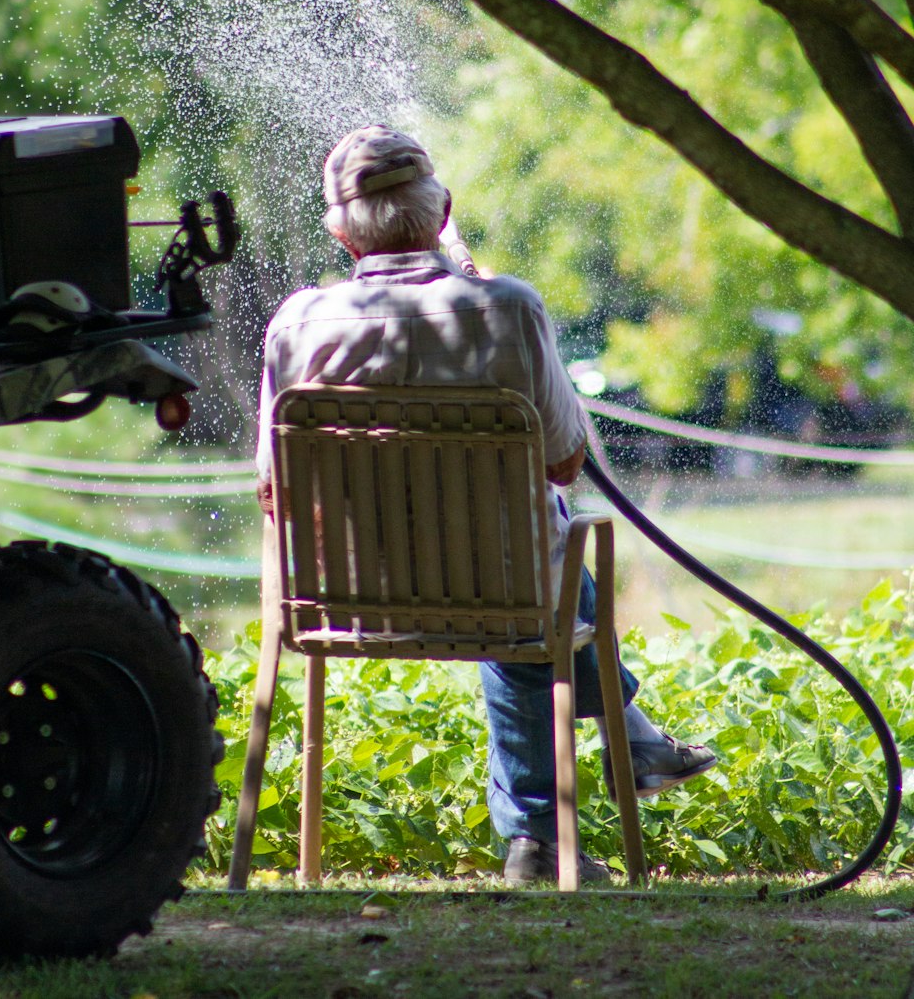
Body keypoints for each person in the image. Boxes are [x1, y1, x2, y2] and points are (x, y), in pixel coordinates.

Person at [256, 124, 716, 886]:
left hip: (340, 600)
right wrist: (503, 310)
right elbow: (567, 461)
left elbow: (273, 489)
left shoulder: (297, 323)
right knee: (528, 563)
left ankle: (617, 761)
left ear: (339, 233)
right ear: (442, 215)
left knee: (522, 559)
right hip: (505, 596)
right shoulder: (508, 306)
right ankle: (558, 816)